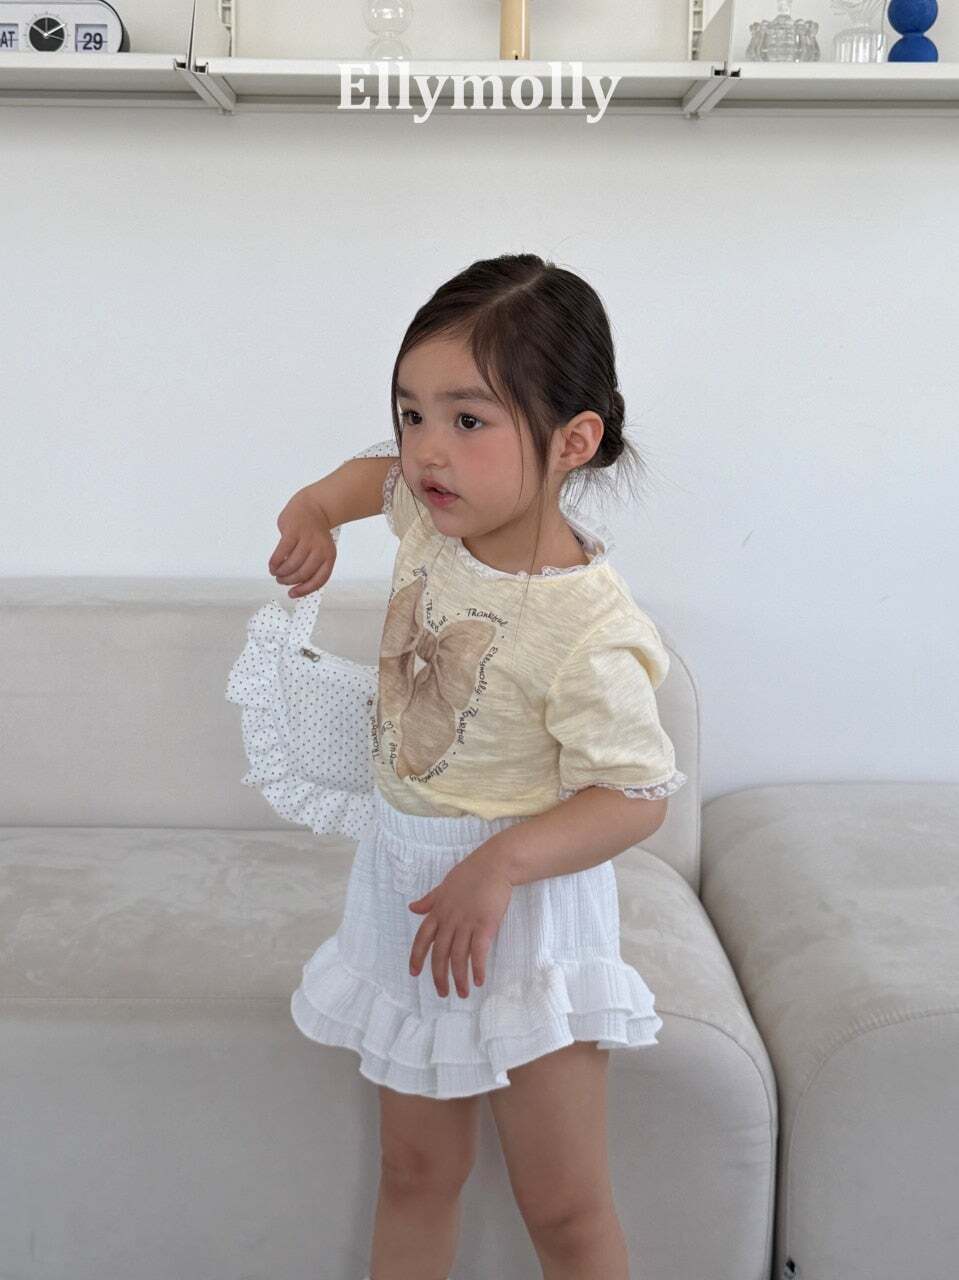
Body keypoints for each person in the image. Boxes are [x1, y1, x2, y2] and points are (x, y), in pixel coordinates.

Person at [268, 253, 688, 1280]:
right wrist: (308, 513)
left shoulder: (586, 626)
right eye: (411, 412)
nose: (424, 448)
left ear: (572, 441)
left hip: (522, 911)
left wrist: (499, 865)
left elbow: (634, 794)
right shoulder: (427, 514)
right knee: (415, 1170)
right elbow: (363, 479)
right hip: (409, 895)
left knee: (564, 1203)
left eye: (467, 419)